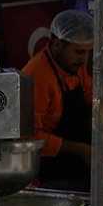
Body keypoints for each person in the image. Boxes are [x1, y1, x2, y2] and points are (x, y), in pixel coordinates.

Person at [22, 10, 94, 186]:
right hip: (48, 171)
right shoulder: (36, 76)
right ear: (56, 44)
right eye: (78, 52)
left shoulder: (75, 66)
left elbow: (90, 97)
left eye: (87, 52)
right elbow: (29, 137)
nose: (84, 60)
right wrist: (79, 149)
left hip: (78, 167)